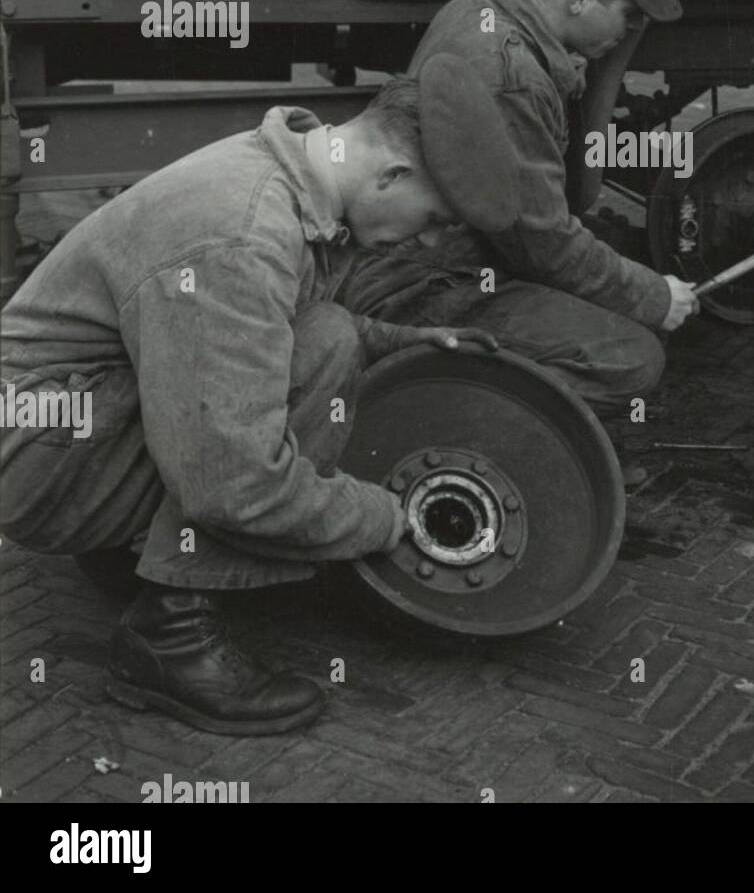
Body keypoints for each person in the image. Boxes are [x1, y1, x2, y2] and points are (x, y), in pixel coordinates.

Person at [0, 57, 519, 734]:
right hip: (37, 462)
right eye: (434, 219)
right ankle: (171, 639)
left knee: (328, 338)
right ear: (392, 175)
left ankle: (134, 549)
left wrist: (402, 339)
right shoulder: (240, 235)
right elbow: (233, 482)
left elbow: (275, 325)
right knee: (291, 386)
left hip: (66, 417)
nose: (427, 241)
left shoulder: (291, 173)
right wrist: (386, 518)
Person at [335, 0, 701, 481]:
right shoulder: (512, 73)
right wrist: (654, 295)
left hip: (419, 260)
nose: (627, 32)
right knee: (633, 359)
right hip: (423, 287)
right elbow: (546, 245)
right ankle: (423, 426)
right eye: (628, 14)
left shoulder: (477, 7)